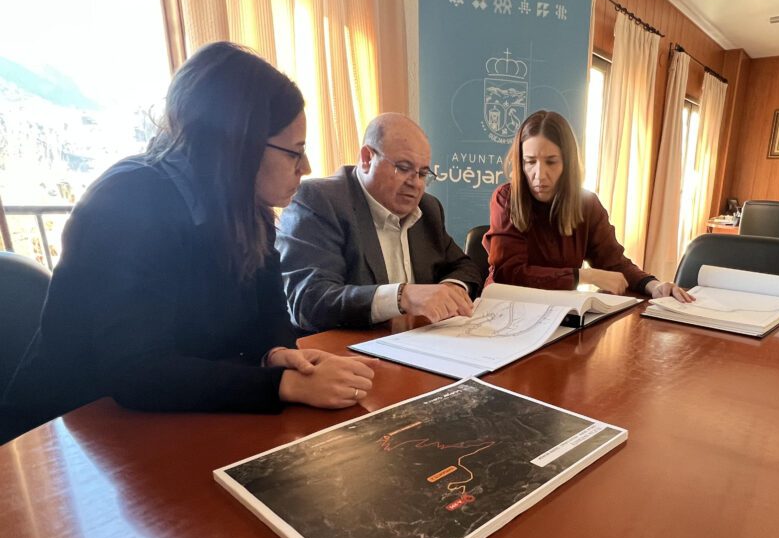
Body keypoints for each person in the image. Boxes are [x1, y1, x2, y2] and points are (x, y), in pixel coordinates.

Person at [1, 42, 376, 440]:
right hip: (67, 433)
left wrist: (279, 354)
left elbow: (271, 316)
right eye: (294, 152)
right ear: (239, 145)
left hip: (175, 419)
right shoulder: (126, 201)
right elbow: (138, 371)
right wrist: (282, 385)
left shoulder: (247, 209)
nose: (307, 168)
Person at [277, 113, 482, 331]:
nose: (415, 184)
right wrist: (402, 296)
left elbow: (464, 266)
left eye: (423, 173)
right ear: (367, 158)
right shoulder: (319, 201)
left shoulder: (428, 209)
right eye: (403, 168)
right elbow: (310, 300)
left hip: (419, 344)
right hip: (344, 354)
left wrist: (451, 289)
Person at [484, 110, 695, 302]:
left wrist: (653, 285)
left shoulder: (587, 204)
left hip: (561, 309)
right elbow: (509, 274)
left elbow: (614, 262)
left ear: (568, 164)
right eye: (530, 162)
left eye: (551, 162)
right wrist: (585, 275)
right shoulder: (506, 198)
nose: (539, 175)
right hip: (508, 307)